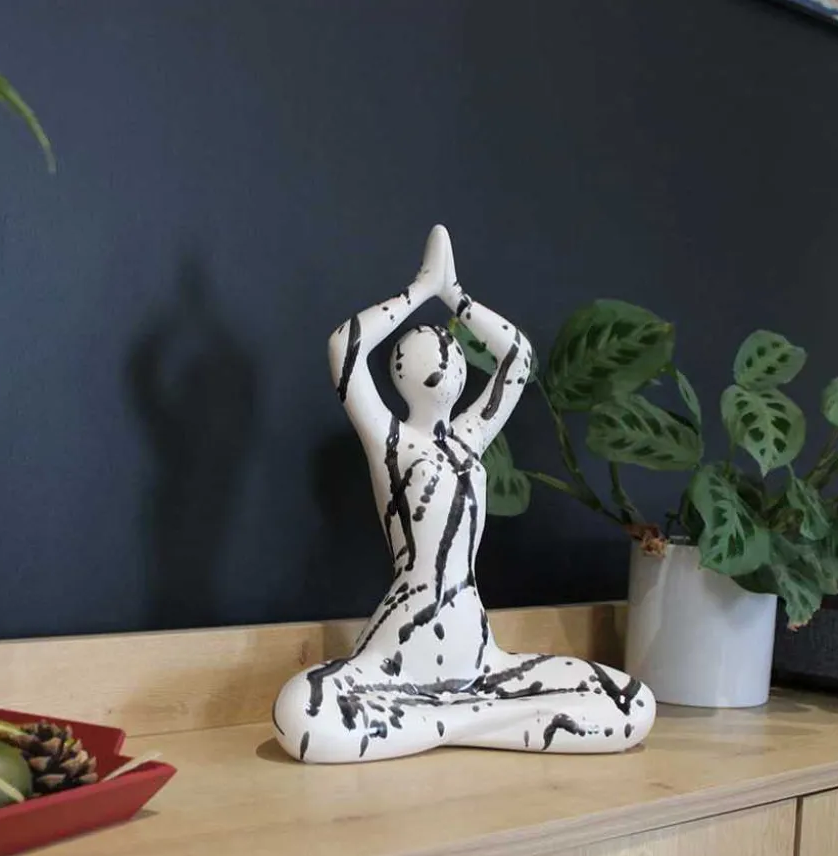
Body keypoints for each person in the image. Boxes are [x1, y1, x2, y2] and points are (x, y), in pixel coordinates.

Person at [273, 226, 655, 763]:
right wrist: (419, 290)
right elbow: (345, 347)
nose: (443, 361)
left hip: (476, 649)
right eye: (420, 353)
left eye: (450, 352)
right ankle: (459, 720)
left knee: (632, 702)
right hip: (401, 643)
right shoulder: (391, 441)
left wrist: (456, 296)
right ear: (398, 373)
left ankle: (447, 722)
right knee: (301, 714)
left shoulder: (470, 438)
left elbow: (517, 358)